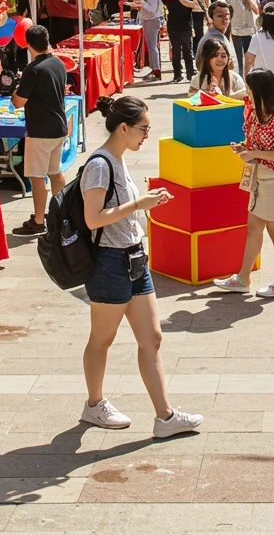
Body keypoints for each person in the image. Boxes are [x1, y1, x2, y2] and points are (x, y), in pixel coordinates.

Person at [79, 95, 203, 437]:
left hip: (134, 259)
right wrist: (140, 203)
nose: (147, 134)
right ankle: (94, 405)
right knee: (102, 340)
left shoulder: (117, 160)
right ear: (123, 128)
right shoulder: (100, 165)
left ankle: (165, 417)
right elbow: (93, 219)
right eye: (143, 128)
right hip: (109, 263)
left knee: (153, 337)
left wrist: (145, 203)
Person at [214, 68, 274, 297]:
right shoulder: (254, 112)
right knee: (253, 229)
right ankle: (243, 278)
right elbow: (255, 144)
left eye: (250, 89)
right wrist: (245, 148)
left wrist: (253, 152)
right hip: (259, 179)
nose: (247, 93)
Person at [11, 25, 69, 237]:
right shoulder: (58, 62)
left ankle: (38, 220)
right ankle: (63, 214)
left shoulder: (33, 70)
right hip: (58, 126)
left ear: (28, 45)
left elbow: (18, 102)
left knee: (37, 177)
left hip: (40, 130)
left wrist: (14, 92)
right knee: (55, 172)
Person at [161, 0, 199, 83]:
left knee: (176, 51)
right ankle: (190, 73)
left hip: (172, 23)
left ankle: (177, 74)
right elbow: (194, 3)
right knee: (188, 50)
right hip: (186, 22)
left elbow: (164, 1)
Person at [128, 0, 164, 81]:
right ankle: (155, 69)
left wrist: (140, 1)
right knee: (152, 46)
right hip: (151, 19)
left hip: (151, 20)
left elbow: (151, 8)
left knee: (152, 46)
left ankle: (156, 70)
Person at [225, 0, 260, 76]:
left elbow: (256, 10)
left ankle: (250, 76)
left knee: (249, 58)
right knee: (239, 59)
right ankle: (240, 76)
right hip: (236, 32)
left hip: (249, 32)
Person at [195, 0, 238, 70]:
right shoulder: (212, 40)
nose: (225, 19)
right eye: (220, 16)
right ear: (211, 19)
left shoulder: (219, 35)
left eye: (227, 15)